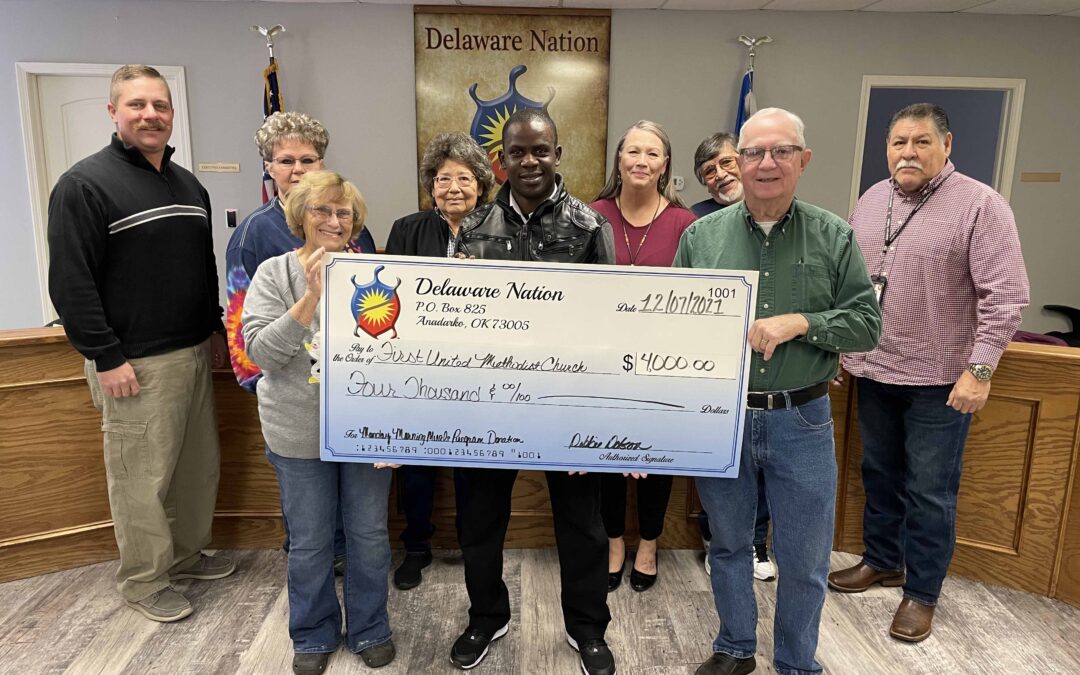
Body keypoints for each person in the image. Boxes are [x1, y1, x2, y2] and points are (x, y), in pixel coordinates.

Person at [674, 108, 881, 675]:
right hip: (724, 417)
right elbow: (669, 329)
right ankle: (736, 646)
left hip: (803, 417)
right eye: (754, 152)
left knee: (805, 558)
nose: (767, 163)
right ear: (737, 163)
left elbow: (867, 323)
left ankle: (795, 661)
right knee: (729, 546)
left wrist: (803, 323)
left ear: (803, 161)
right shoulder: (700, 237)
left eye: (781, 151)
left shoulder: (833, 235)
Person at [829, 103, 1030, 643]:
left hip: (940, 382)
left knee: (930, 491)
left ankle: (922, 593)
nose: (907, 152)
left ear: (947, 144)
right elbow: (851, 282)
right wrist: (842, 350)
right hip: (874, 371)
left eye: (920, 142)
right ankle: (881, 559)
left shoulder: (981, 206)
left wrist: (980, 370)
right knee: (879, 474)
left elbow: (1007, 295)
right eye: (898, 142)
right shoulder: (873, 198)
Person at [47, 65, 234, 623]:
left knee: (194, 467)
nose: (150, 114)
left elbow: (203, 266)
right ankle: (145, 579)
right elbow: (71, 281)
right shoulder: (84, 185)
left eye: (160, 104)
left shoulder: (187, 184)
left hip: (193, 351)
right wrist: (104, 354)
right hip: (133, 362)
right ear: (114, 113)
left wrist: (213, 329)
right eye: (137, 105)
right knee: (140, 478)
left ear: (171, 113)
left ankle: (183, 555)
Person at [452, 108, 617, 675]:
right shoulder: (472, 230)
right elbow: (453, 322)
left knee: (583, 524)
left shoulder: (589, 226)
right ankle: (486, 616)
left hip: (566, 405)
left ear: (558, 154)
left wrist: (592, 414)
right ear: (502, 159)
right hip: (489, 403)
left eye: (540, 150)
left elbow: (608, 325)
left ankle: (587, 627)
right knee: (479, 519)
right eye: (518, 152)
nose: (529, 161)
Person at [242, 171, 396, 675]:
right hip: (297, 431)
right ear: (300, 216)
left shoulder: (379, 274)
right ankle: (312, 635)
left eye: (343, 212)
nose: (333, 220)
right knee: (309, 541)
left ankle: (371, 628)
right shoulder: (272, 273)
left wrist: (401, 425)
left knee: (369, 535)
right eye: (322, 211)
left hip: (367, 430)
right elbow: (261, 351)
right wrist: (310, 297)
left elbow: (403, 353)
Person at [225, 111, 375, 575]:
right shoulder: (253, 234)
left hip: (353, 405)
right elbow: (239, 322)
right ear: (269, 167)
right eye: (285, 160)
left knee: (358, 529)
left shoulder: (353, 226)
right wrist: (266, 390)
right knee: (308, 529)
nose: (297, 170)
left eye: (307, 159)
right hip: (291, 397)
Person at [384, 132, 494, 589]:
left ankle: (476, 547)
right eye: (444, 177)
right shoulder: (407, 229)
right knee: (417, 465)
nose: (454, 187)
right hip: (419, 370)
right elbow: (388, 295)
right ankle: (416, 547)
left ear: (481, 186)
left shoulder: (499, 231)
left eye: (464, 178)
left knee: (476, 466)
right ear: (430, 185)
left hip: (484, 370)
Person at [588, 120, 695, 593]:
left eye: (652, 154)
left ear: (664, 165)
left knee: (656, 460)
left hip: (662, 367)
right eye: (633, 151)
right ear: (619, 159)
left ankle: (648, 544)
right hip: (601, 364)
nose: (641, 161)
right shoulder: (590, 215)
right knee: (609, 459)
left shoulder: (686, 223)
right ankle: (614, 543)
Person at [688, 131, 776, 583]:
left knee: (760, 467)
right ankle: (716, 540)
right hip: (713, 370)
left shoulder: (781, 214)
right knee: (719, 462)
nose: (720, 175)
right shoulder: (696, 226)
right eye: (709, 173)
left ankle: (758, 544)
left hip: (771, 367)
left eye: (725, 164)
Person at [690, 132, 744, 218]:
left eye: (726, 162)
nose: (720, 175)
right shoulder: (696, 217)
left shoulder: (770, 204)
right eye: (710, 171)